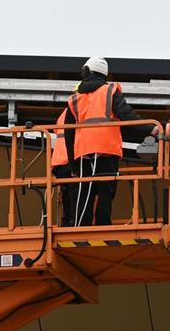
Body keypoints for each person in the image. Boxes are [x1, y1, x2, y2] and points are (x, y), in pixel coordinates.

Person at [63, 56, 153, 226]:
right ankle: (103, 226)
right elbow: (127, 115)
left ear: (87, 71)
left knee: (85, 192)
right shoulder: (110, 91)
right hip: (107, 150)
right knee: (105, 192)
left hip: (84, 153)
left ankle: (81, 229)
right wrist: (152, 129)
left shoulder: (75, 98)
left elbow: (68, 132)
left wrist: (72, 161)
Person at [49, 108, 78, 227]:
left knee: (66, 192)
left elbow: (56, 130)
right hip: (69, 160)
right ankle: (73, 222)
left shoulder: (63, 114)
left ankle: (67, 221)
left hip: (58, 161)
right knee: (74, 192)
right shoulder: (79, 111)